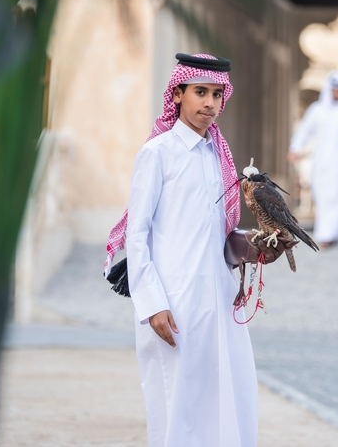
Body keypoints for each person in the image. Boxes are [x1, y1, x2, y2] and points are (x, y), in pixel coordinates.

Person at [103, 53, 257, 447]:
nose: (209, 103)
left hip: (220, 303)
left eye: (217, 94)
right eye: (200, 92)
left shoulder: (218, 155)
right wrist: (152, 303)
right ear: (177, 95)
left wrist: (255, 248)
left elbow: (219, 234)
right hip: (173, 304)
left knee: (226, 402)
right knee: (178, 410)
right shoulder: (158, 153)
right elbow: (136, 235)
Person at [288, 70, 338, 249]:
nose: (337, 93)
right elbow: (304, 131)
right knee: (321, 194)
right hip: (321, 160)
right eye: (334, 89)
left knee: (336, 195)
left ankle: (327, 235)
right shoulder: (317, 110)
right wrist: (295, 148)